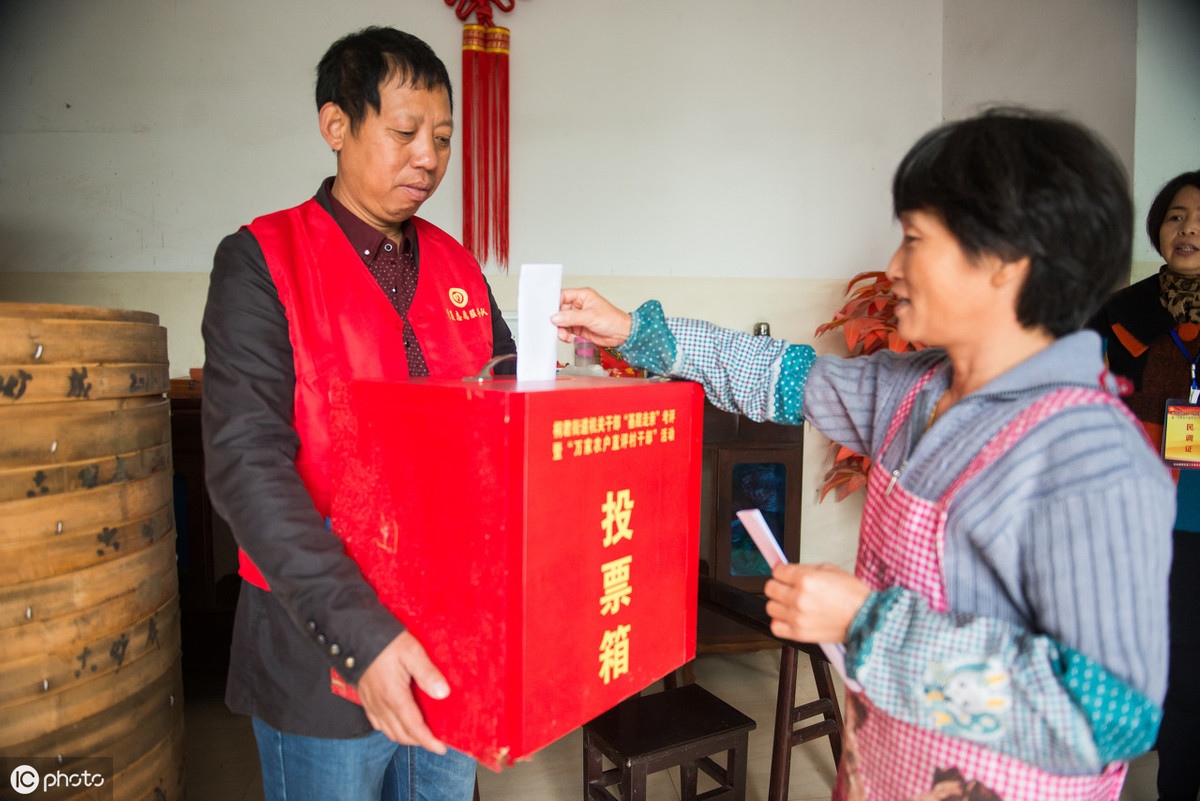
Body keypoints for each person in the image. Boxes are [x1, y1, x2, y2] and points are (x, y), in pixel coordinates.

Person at [552, 108, 1173, 800]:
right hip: (883, 769)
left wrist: (865, 623)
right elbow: (777, 375)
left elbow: (1109, 714)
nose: (893, 268)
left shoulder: (1092, 458)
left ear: (1004, 261)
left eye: (914, 240)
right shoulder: (913, 388)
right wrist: (629, 330)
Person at [201, 26, 515, 801]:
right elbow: (247, 465)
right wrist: (361, 639)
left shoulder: (458, 265)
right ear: (336, 125)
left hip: (450, 641)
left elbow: (507, 416)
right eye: (405, 132)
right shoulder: (263, 259)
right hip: (322, 648)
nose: (429, 158)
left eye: (443, 138)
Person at [1088, 169, 1200, 801]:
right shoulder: (1122, 313)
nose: (1188, 230)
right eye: (1177, 216)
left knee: (1188, 660)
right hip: (1142, 512)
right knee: (1163, 651)